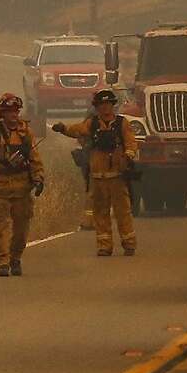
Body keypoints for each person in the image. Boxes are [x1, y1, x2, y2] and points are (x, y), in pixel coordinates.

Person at [52, 90, 138, 256]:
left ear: (113, 105)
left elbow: (131, 142)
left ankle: (129, 243)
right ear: (97, 107)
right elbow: (76, 130)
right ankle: (104, 246)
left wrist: (129, 156)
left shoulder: (122, 124)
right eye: (101, 105)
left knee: (123, 212)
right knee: (100, 213)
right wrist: (63, 128)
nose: (105, 108)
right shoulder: (91, 124)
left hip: (118, 177)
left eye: (108, 104)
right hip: (98, 177)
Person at [0, 93, 44, 277]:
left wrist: (39, 178)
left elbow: (35, 159)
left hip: (22, 188)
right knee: (0, 228)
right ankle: (2, 263)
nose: (14, 114)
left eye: (16, 111)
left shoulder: (26, 133)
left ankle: (15, 258)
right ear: (2, 114)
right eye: (10, 111)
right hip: (1, 187)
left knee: (21, 230)